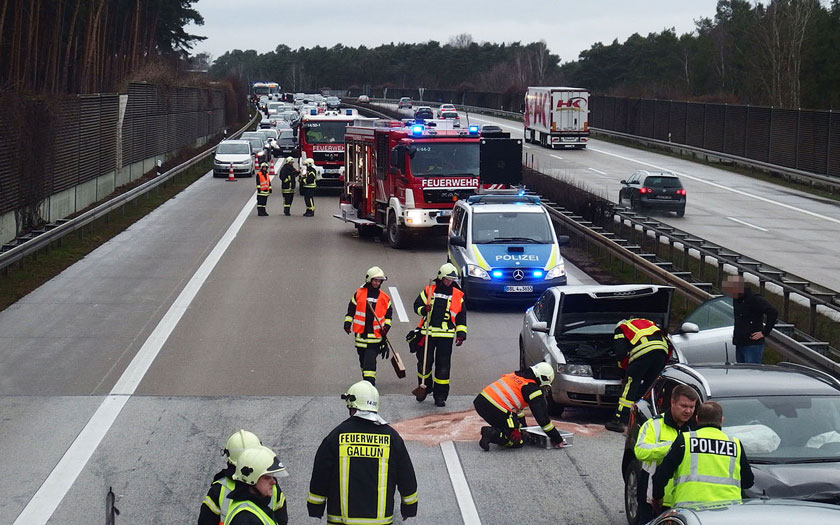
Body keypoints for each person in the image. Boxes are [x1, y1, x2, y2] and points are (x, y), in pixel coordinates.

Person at [307, 381, 418, 524]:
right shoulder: (391, 438)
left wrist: (315, 507)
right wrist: (409, 507)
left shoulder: (337, 436)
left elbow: (321, 473)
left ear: (352, 405)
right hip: (380, 522)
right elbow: (406, 474)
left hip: (341, 520)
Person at [652, 401, 754, 511]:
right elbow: (748, 481)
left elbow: (661, 474)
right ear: (722, 420)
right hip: (728, 512)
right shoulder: (735, 444)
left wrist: (658, 497)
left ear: (696, 419)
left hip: (689, 511)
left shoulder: (685, 440)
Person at [633, 385, 699, 523]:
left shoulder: (697, 429)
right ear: (672, 403)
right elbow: (640, 451)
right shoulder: (653, 425)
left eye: (692, 407)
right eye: (684, 406)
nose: (688, 411)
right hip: (653, 499)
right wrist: (672, 448)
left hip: (684, 501)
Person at [474, 362, 566, 450]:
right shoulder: (533, 390)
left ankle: (499, 432)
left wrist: (523, 428)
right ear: (543, 378)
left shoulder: (517, 375)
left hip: (481, 402)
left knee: (510, 429)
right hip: (498, 409)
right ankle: (492, 434)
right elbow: (543, 420)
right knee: (518, 441)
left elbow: (517, 407)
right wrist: (557, 439)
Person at [412, 263, 467, 407]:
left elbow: (461, 317)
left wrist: (461, 334)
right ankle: (424, 387)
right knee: (424, 364)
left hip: (446, 336)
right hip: (427, 334)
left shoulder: (458, 295)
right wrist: (424, 309)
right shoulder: (429, 291)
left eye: (451, 280)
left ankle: (440, 396)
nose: (449, 282)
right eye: (447, 279)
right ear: (441, 277)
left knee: (443, 367)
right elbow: (416, 307)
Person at [605, 318, 671, 433]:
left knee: (631, 384)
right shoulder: (645, 322)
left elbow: (620, 353)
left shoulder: (621, 328)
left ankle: (619, 420)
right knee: (650, 387)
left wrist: (623, 372)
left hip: (643, 352)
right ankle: (647, 418)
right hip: (662, 352)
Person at [199, 429, 262, 525]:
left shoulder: (219, 490)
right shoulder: (270, 485)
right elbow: (281, 519)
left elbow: (205, 521)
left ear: (229, 456)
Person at [344, 266, 393, 386]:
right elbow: (351, 311)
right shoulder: (359, 294)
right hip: (361, 337)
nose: (377, 283)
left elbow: (388, 317)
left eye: (379, 281)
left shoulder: (385, 298)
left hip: (375, 337)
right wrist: (347, 323)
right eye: (375, 280)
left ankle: (370, 384)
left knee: (369, 363)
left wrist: (386, 327)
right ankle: (366, 380)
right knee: (363, 362)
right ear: (369, 280)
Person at [225, 445, 289, 525]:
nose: (273, 482)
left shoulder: (255, 507)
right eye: (266, 477)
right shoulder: (245, 519)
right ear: (251, 479)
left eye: (272, 476)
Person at [722, 275, 778, 364]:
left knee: (751, 373)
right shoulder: (736, 299)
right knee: (742, 372)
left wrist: (764, 332)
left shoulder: (755, 299)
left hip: (753, 344)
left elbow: (773, 312)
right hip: (740, 343)